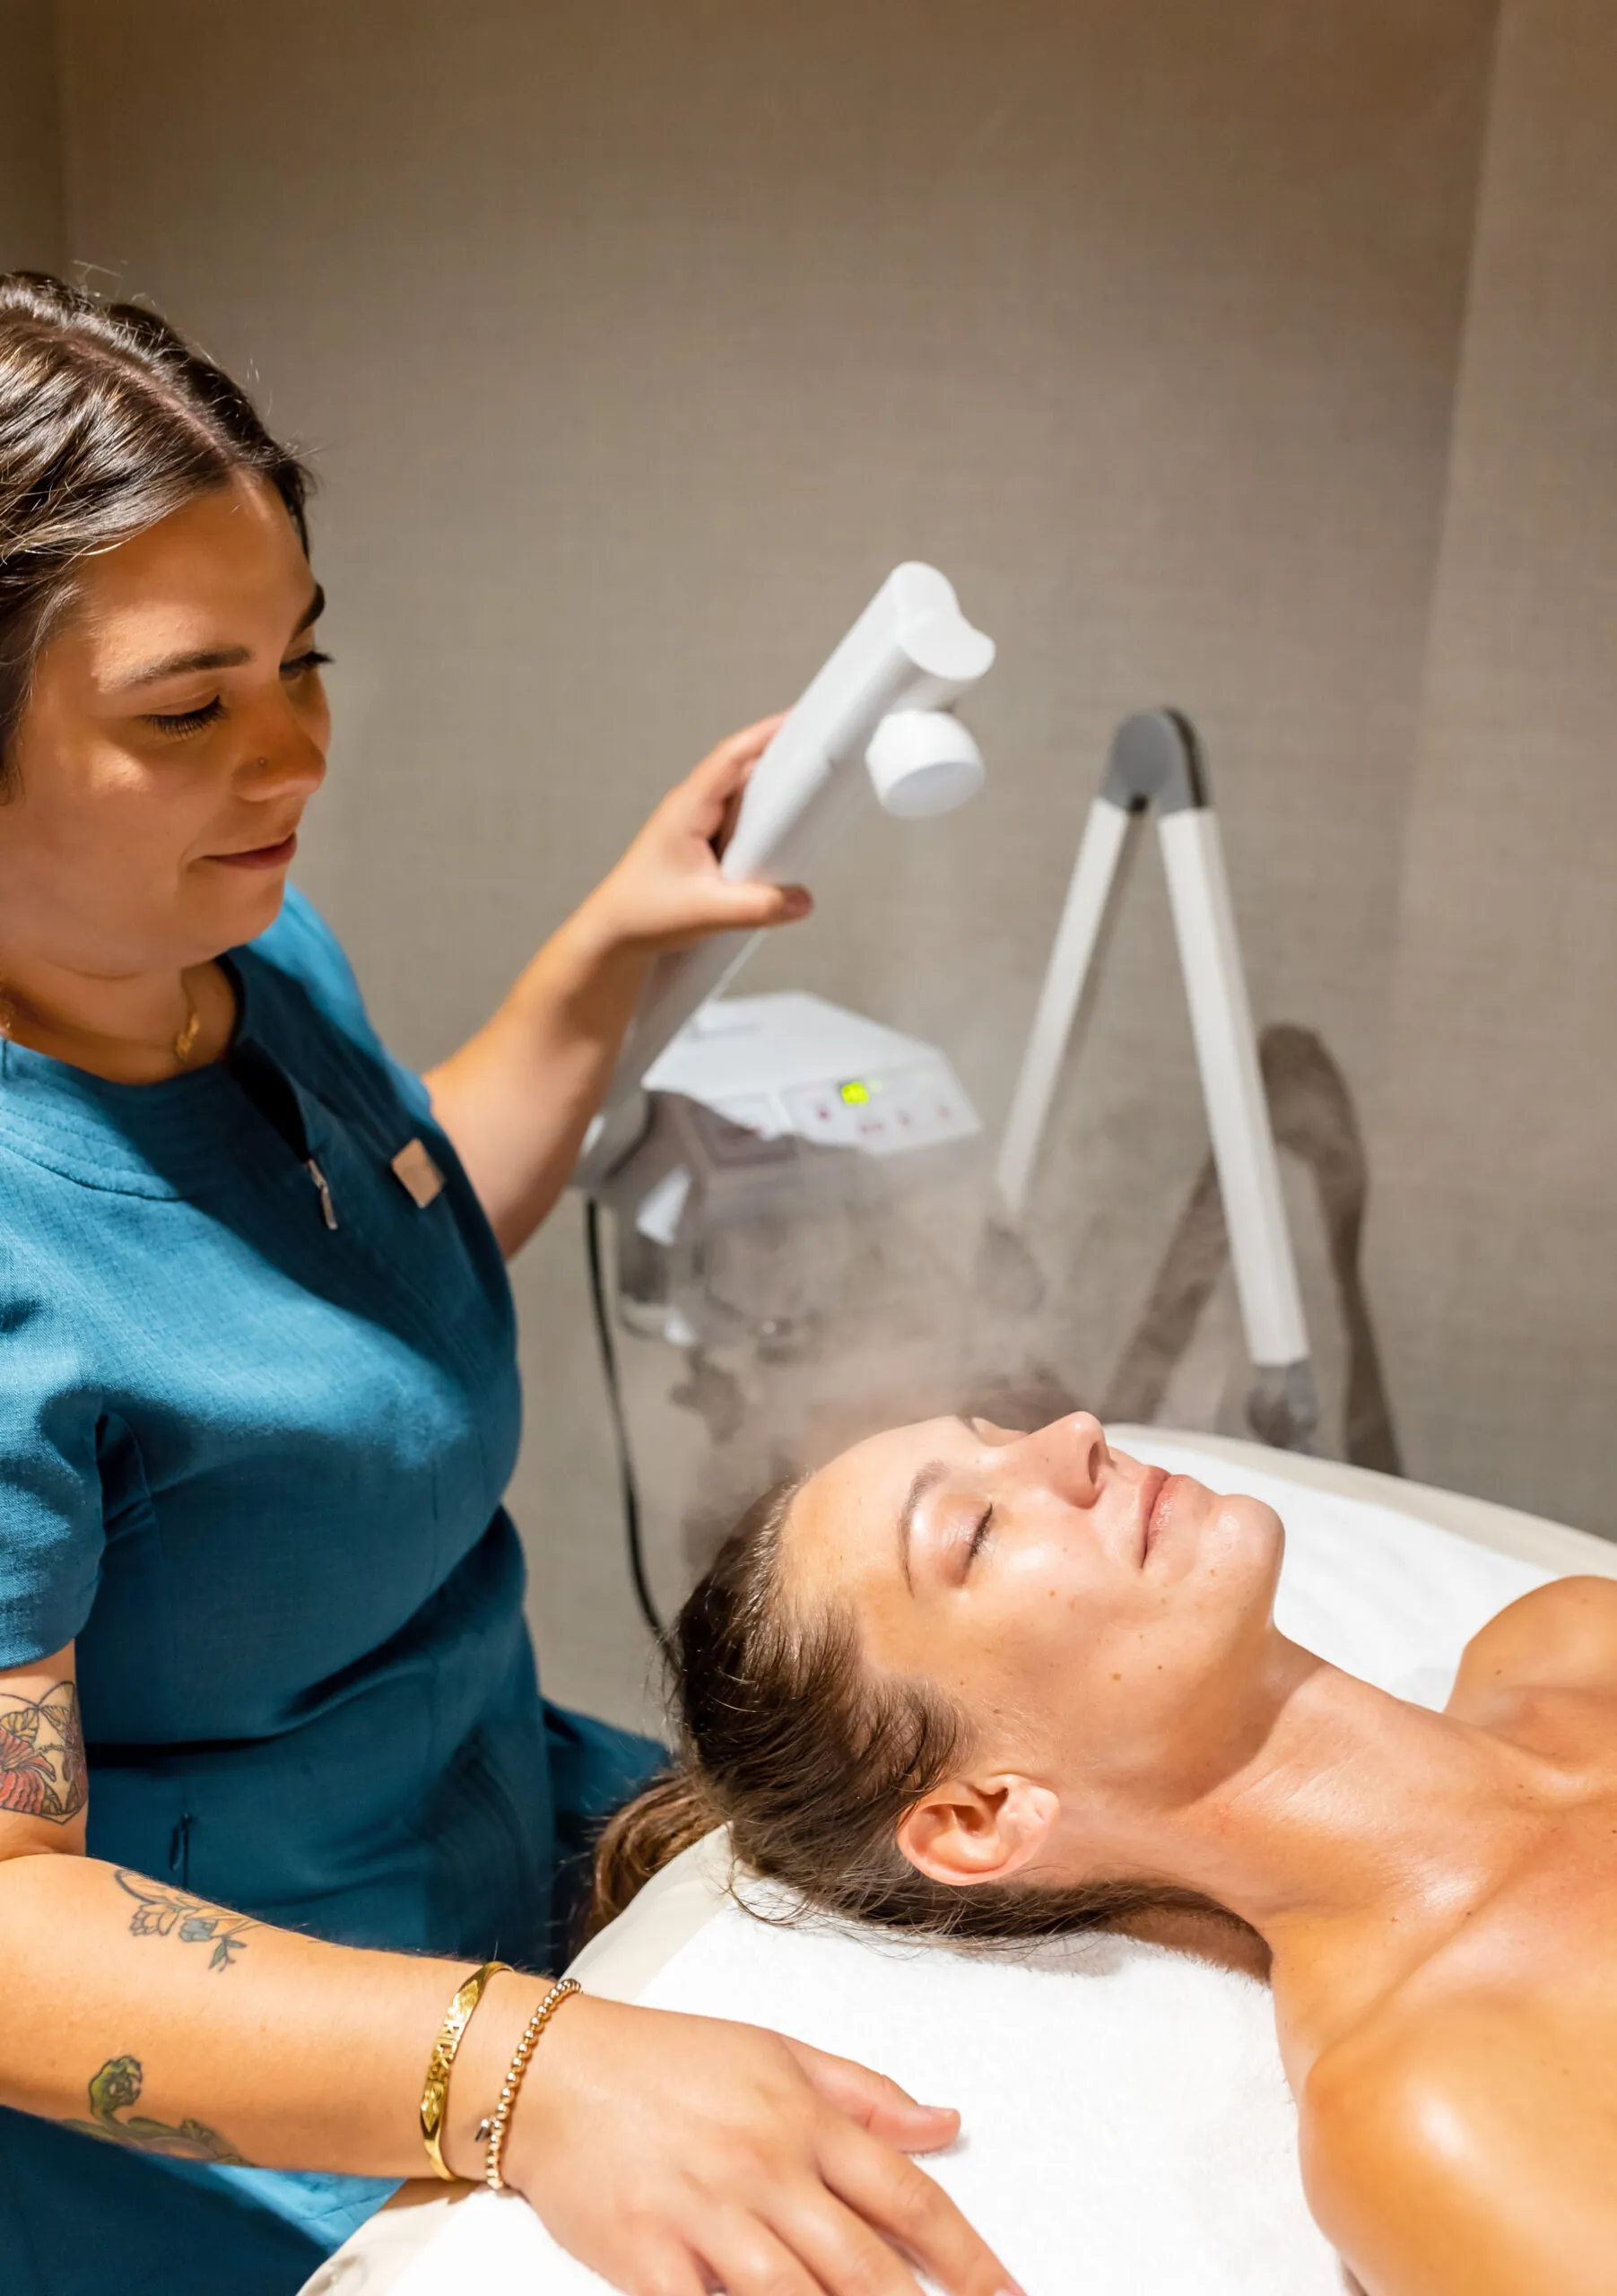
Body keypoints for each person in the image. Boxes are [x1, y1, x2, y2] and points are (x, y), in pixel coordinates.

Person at [0, 273, 1019, 2296]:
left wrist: (609, 949)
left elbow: (366, 1234)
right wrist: (530, 2074)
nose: (292, 753)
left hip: (490, 1836)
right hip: (239, 2090)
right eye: (188, 708)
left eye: (303, 660)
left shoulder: (234, 960)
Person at [597, 1406, 1617, 2295]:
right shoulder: (1422, 2107)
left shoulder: (1567, 1636)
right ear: (982, 1817)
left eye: (1000, 1430)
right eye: (975, 1530)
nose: (1076, 1436)